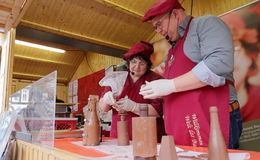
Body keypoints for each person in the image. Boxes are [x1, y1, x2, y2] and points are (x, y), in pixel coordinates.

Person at [139, 0, 242, 149]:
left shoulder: (205, 24)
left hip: (213, 121)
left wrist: (170, 85)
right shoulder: (171, 51)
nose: (158, 31)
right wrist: (160, 91)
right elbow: (181, 86)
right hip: (186, 127)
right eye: (155, 28)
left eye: (159, 24)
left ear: (175, 14)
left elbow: (219, 64)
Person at [99, 41, 165, 142]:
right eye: (134, 62)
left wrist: (134, 106)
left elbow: (157, 111)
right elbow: (104, 108)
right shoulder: (117, 78)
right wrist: (106, 99)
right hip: (119, 135)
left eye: (142, 63)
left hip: (147, 136)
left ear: (148, 65)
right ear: (128, 62)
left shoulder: (156, 80)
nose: (136, 67)